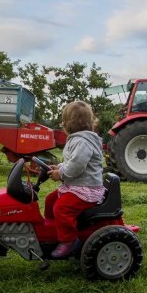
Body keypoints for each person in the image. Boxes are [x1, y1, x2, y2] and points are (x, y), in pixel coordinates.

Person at [45, 101, 105, 258]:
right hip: (78, 186)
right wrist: (58, 167)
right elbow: (71, 161)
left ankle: (69, 241)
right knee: (50, 201)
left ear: (66, 124)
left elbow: (77, 166)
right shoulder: (78, 139)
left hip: (86, 189)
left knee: (61, 208)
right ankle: (53, 232)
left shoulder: (82, 141)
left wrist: (61, 174)